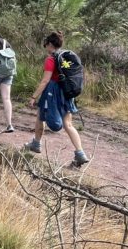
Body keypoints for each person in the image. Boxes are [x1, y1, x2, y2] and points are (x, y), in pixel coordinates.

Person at [25, 30, 89, 166]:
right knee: (68, 124)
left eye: (46, 44)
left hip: (52, 92)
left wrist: (33, 96)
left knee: (40, 117)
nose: (46, 47)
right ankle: (80, 153)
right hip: (66, 92)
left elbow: (45, 81)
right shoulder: (65, 57)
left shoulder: (51, 59)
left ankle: (36, 144)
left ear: (49, 44)